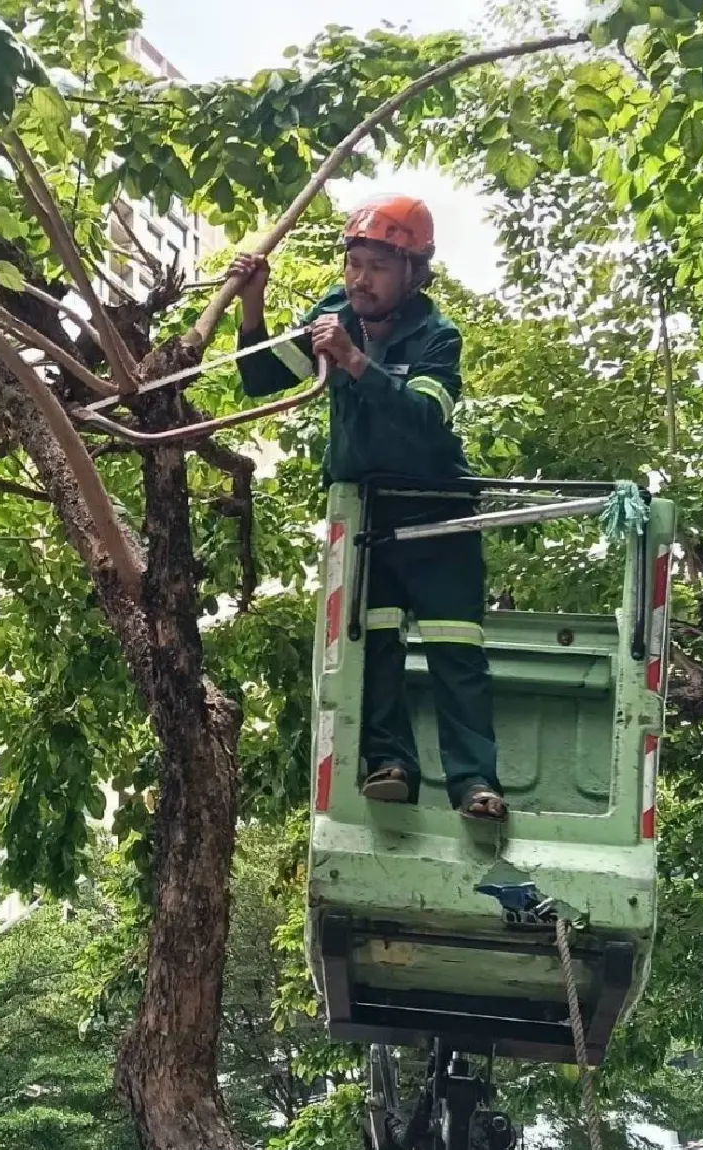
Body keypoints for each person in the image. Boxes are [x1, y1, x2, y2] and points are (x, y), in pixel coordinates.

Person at [227, 195, 506, 821]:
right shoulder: (334, 316)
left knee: (454, 649)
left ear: (414, 274)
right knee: (374, 644)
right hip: (371, 515)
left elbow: (426, 422)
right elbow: (261, 379)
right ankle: (391, 765)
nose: (360, 278)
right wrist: (253, 301)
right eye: (354, 263)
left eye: (378, 266)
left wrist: (354, 363)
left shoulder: (437, 336)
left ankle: (475, 783)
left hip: (438, 513)